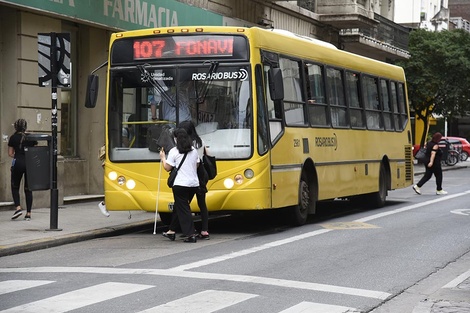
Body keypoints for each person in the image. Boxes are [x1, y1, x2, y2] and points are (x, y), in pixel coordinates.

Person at [159, 128, 199, 243]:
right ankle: (171, 231)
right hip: (193, 184)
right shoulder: (193, 150)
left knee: (184, 209)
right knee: (179, 207)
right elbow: (197, 165)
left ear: (176, 139)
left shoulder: (174, 151)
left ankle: (190, 234)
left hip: (180, 185)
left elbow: (167, 168)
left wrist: (163, 158)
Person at [179, 120, 210, 239]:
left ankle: (189, 230)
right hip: (202, 174)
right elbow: (206, 155)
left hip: (190, 174)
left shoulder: (186, 144)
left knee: (185, 205)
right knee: (202, 203)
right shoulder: (200, 142)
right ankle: (205, 230)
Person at [8, 119, 38, 220]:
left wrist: (17, 156)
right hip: (29, 164)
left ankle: (18, 208)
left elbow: (10, 153)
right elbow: (35, 149)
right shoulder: (30, 138)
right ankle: (28, 213)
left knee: (15, 186)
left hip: (18, 162)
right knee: (28, 189)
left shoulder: (13, 138)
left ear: (16, 127)